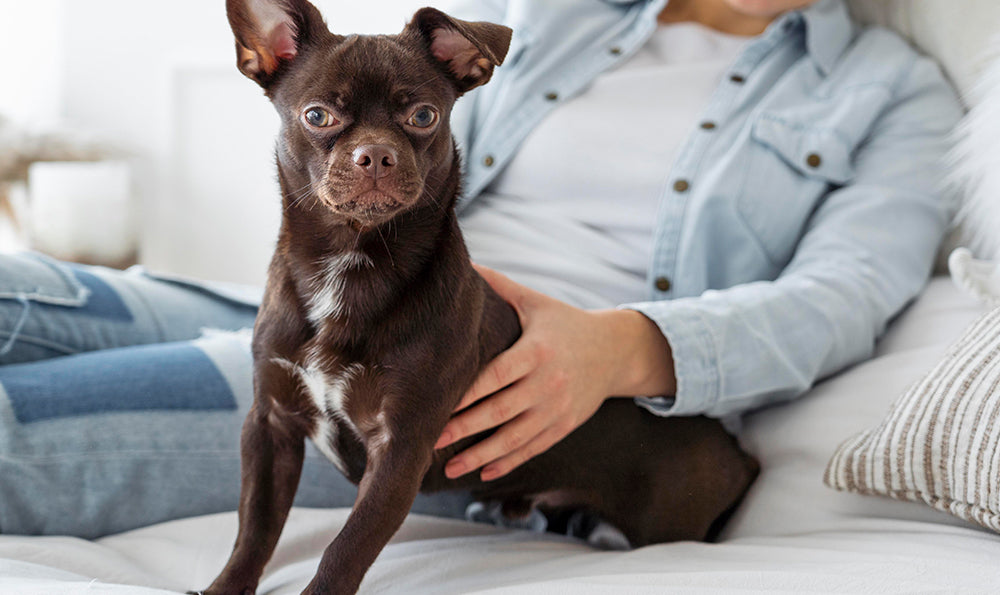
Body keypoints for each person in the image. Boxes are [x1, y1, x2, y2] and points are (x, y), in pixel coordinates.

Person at [0, 0, 962, 539]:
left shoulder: (890, 91)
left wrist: (622, 348)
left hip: (439, 383)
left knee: (19, 433)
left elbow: (847, 295)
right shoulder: (557, 12)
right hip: (312, 299)